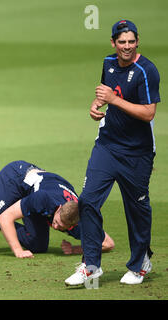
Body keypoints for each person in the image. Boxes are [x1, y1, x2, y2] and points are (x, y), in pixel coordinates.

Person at [65, 20, 160, 286]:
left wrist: (113, 100)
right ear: (113, 43)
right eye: (122, 42)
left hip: (137, 153)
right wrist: (96, 107)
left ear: (138, 41)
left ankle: (140, 262)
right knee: (88, 201)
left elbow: (148, 112)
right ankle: (91, 266)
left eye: (131, 42)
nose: (127, 47)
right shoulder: (108, 63)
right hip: (106, 146)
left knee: (136, 208)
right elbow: (107, 95)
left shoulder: (146, 70)